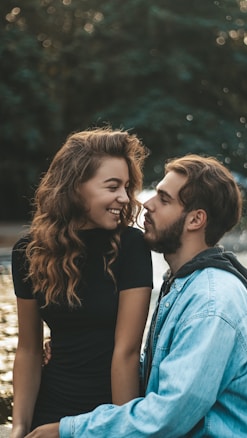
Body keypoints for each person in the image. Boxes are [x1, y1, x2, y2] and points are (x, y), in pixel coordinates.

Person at [24, 154, 247, 437]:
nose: (147, 204)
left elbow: (167, 416)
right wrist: (85, 350)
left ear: (195, 219)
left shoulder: (211, 303)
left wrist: (68, 430)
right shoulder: (184, 285)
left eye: (164, 199)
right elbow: (167, 376)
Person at [11, 127, 153, 438]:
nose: (125, 198)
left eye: (127, 187)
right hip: (48, 408)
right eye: (112, 187)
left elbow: (126, 352)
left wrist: (120, 428)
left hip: (107, 411)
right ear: (75, 187)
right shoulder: (29, 251)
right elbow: (29, 350)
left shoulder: (131, 246)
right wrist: (19, 427)